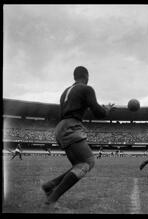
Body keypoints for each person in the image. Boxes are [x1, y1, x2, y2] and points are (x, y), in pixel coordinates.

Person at [41, 66, 115, 209]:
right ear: (86, 76)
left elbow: (74, 109)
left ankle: (49, 185)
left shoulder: (65, 92)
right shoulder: (87, 89)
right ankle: (52, 199)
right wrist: (107, 110)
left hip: (61, 127)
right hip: (71, 127)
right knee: (87, 163)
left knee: (78, 165)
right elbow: (98, 113)